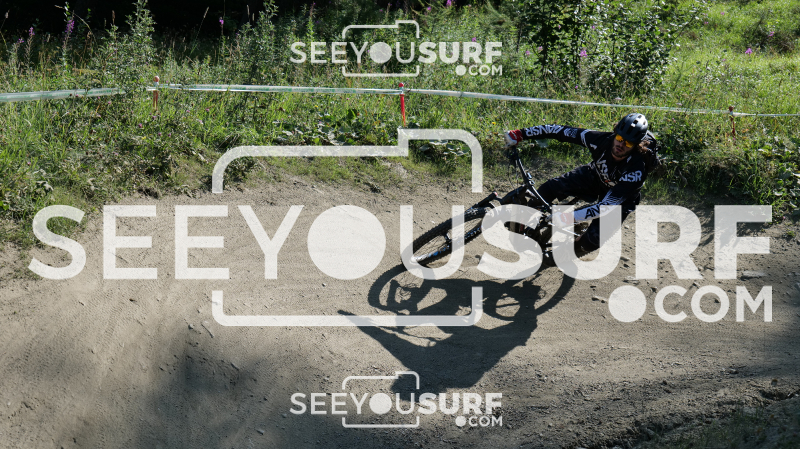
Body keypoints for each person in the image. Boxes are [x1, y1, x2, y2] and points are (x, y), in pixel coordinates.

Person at [504, 113, 659, 266]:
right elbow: (559, 131)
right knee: (549, 188)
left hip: (620, 199)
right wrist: (520, 134)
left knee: (592, 241)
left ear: (637, 145)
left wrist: (568, 218)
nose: (621, 145)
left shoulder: (636, 171)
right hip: (595, 176)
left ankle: (562, 255)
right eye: (619, 138)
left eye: (628, 143)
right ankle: (524, 222)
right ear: (615, 134)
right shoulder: (601, 140)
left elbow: (605, 207)